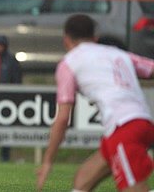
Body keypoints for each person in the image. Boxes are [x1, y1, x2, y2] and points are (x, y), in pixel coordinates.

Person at [36, 14, 154, 192]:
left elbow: (62, 118)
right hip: (140, 122)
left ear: (66, 40)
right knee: (83, 179)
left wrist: (47, 161)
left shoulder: (69, 63)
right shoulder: (117, 54)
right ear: (95, 38)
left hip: (124, 127)